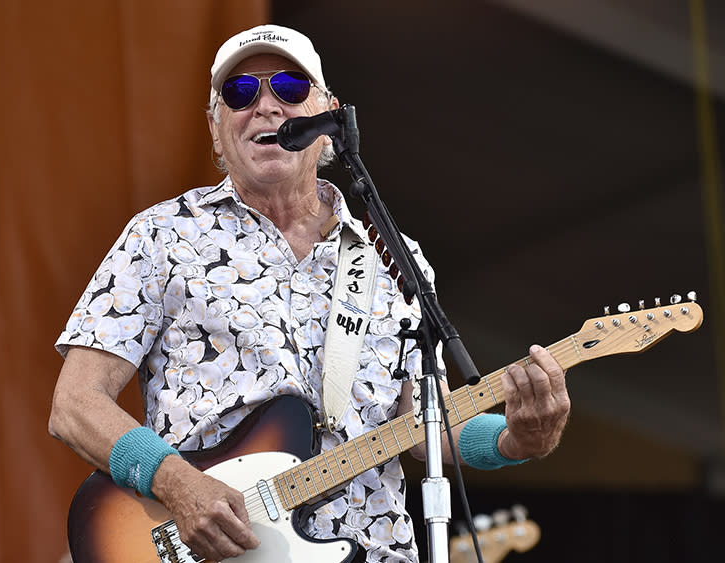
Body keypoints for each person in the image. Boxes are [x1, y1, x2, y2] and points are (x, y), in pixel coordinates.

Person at [49, 24, 570, 563]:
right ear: (214, 128)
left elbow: (423, 425)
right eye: (240, 93)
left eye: (291, 89)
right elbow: (75, 403)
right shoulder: (163, 235)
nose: (266, 107)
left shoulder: (393, 257)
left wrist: (514, 441)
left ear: (330, 118)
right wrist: (179, 484)